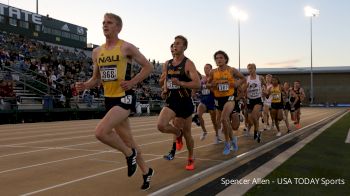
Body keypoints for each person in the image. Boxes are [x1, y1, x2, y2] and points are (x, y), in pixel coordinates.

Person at [75, 13, 154, 190]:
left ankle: (128, 154)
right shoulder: (97, 52)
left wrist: (133, 81)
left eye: (109, 22)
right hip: (109, 99)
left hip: (125, 97)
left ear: (118, 27)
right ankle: (146, 171)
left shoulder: (126, 47)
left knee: (101, 132)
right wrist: (84, 85)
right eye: (103, 22)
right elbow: (96, 79)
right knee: (129, 140)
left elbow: (148, 67)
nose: (105, 25)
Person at [157, 35, 201, 170]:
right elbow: (166, 79)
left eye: (178, 43)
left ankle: (191, 157)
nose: (175, 46)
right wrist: (165, 89)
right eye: (174, 43)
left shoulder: (188, 63)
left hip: (185, 101)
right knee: (161, 125)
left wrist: (181, 82)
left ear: (184, 47)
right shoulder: (167, 63)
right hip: (172, 100)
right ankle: (177, 133)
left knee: (188, 133)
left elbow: (197, 83)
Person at [207, 50, 246, 155]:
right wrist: (212, 85)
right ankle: (233, 139)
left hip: (230, 98)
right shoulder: (213, 72)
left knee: (224, 119)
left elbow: (243, 78)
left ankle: (227, 144)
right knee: (224, 122)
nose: (218, 60)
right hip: (218, 99)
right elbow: (207, 84)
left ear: (225, 59)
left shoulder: (231, 70)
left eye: (221, 58)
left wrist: (236, 84)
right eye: (217, 58)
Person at [194, 63, 221, 143]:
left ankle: (217, 136)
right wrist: (194, 92)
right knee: (198, 114)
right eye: (204, 68)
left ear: (211, 69)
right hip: (203, 101)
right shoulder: (202, 79)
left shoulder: (214, 78)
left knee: (214, 121)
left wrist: (209, 85)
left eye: (207, 68)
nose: (205, 69)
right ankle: (204, 131)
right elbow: (197, 87)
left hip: (212, 102)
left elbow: (216, 90)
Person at [245, 63, 266, 143]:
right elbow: (245, 88)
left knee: (254, 116)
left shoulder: (260, 77)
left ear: (255, 69)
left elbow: (265, 85)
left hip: (258, 99)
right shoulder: (247, 78)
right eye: (248, 68)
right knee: (250, 120)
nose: (250, 70)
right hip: (250, 100)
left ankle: (256, 131)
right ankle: (257, 131)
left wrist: (265, 91)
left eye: (251, 68)